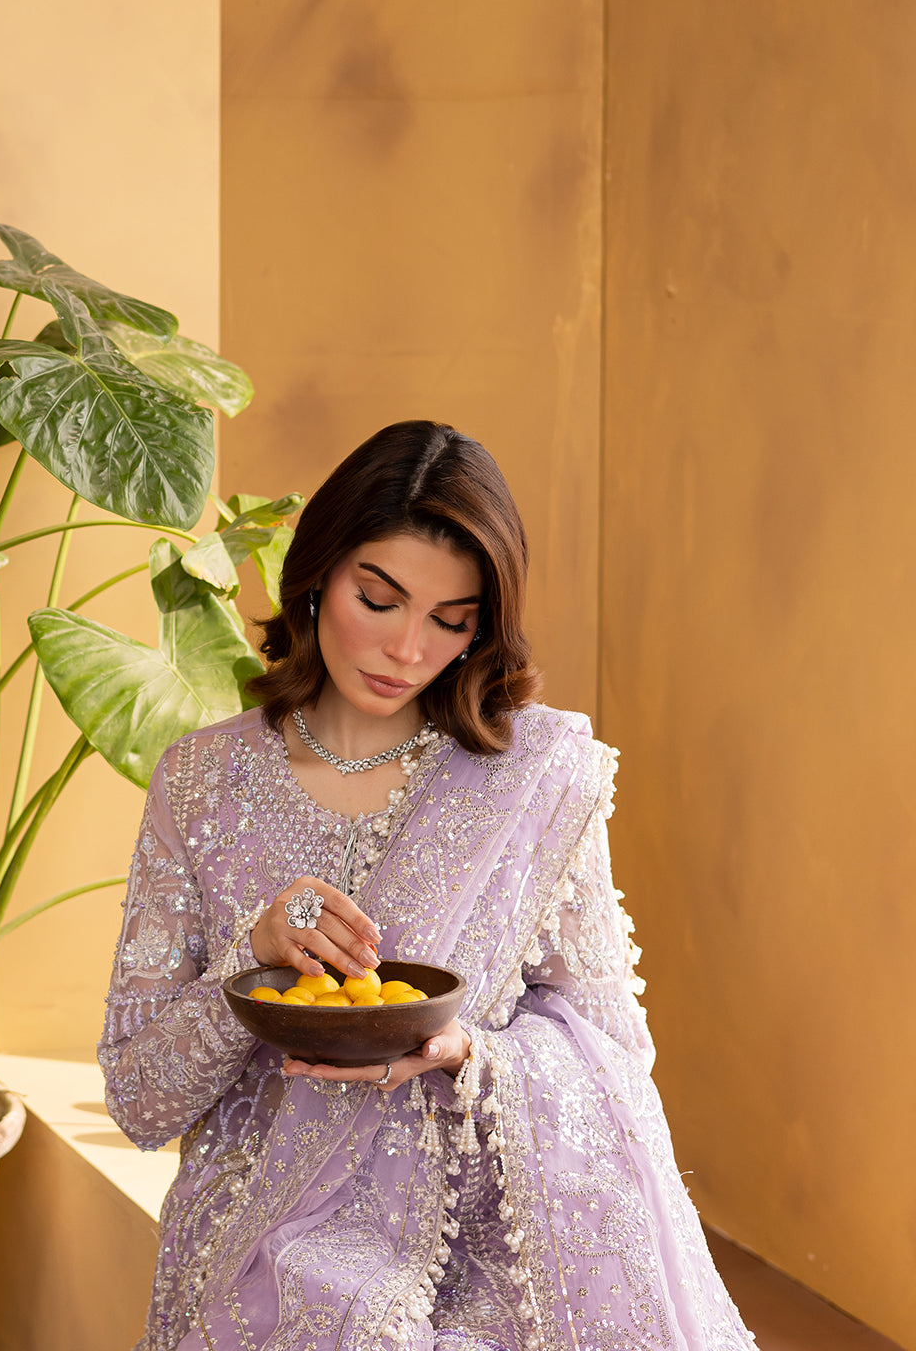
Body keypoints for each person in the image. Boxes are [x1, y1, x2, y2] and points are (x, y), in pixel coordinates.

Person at [100, 420, 755, 1351]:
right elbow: (139, 1101)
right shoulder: (202, 783)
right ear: (317, 575)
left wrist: (465, 1055)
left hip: (471, 1260)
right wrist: (254, 953)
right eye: (379, 599)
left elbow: (612, 1054)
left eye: (450, 620)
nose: (408, 648)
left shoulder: (531, 777)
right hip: (249, 1258)